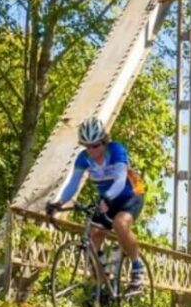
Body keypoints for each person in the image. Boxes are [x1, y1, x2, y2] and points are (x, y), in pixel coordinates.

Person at [46, 116, 146, 294]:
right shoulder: (83, 159)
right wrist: (58, 202)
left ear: (104, 141)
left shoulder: (115, 150)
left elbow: (120, 179)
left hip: (131, 194)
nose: (91, 150)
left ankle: (137, 268)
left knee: (120, 224)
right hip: (107, 200)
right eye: (87, 146)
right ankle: (103, 282)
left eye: (96, 145)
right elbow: (72, 185)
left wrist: (107, 198)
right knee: (93, 234)